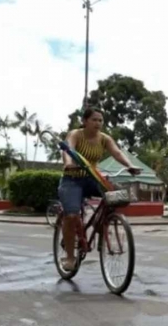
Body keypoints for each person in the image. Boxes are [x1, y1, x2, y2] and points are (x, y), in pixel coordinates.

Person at [58, 107, 140, 271]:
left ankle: (101, 221)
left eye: (100, 120)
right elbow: (68, 149)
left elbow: (117, 153)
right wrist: (68, 163)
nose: (98, 123)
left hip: (93, 178)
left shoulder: (104, 139)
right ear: (85, 121)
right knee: (72, 215)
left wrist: (129, 165)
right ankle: (69, 256)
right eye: (94, 119)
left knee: (116, 196)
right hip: (72, 179)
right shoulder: (76, 134)